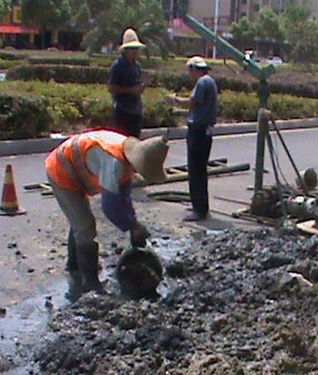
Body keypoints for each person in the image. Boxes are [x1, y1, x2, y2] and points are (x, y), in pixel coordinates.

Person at [45, 130, 168, 301]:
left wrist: (133, 224)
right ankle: (91, 284)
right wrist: (132, 227)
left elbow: (123, 198)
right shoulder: (114, 162)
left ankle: (74, 266)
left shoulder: (127, 156)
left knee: (79, 220)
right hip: (61, 170)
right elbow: (109, 206)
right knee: (85, 225)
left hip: (76, 169)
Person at [167, 56, 218, 222]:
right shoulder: (210, 81)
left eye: (189, 71)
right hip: (205, 130)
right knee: (200, 170)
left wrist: (174, 99)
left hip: (198, 131)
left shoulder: (202, 83)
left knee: (195, 171)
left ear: (194, 69)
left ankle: (199, 209)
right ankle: (200, 205)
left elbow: (192, 102)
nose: (189, 75)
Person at [108, 28, 147, 137]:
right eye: (131, 49)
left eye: (136, 48)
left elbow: (137, 86)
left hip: (136, 112)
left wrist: (141, 87)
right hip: (122, 111)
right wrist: (130, 91)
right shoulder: (118, 66)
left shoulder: (137, 66)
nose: (134, 51)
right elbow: (111, 87)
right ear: (125, 50)